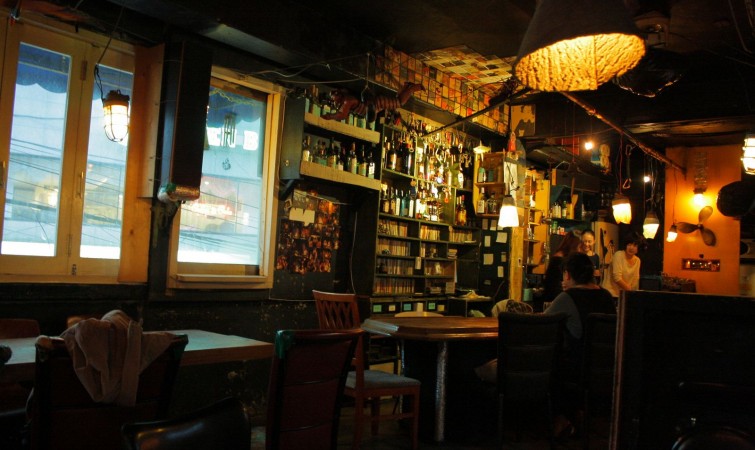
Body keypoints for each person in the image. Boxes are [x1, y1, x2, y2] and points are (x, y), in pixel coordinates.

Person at [544, 252, 616, 438]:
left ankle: (561, 420)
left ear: (568, 274)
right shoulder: (606, 295)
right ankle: (577, 416)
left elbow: (541, 326)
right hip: (607, 369)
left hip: (577, 370)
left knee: (550, 365)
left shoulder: (568, 296)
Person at [540, 231, 583, 311]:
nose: (579, 250)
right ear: (573, 246)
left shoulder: (560, 257)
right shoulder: (559, 260)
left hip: (556, 299)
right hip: (555, 300)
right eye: (579, 246)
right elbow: (554, 285)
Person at [601, 231, 645, 299]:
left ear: (638, 248)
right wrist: (630, 291)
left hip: (624, 295)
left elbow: (635, 280)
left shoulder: (637, 260)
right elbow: (617, 278)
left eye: (635, 245)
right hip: (610, 294)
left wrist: (634, 294)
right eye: (629, 244)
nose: (631, 248)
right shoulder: (618, 255)